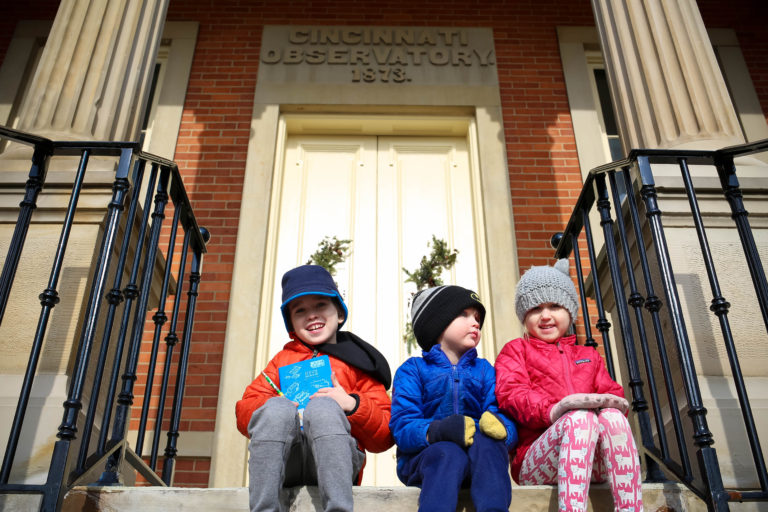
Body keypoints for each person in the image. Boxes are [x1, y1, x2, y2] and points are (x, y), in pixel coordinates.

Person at [235, 265, 393, 512]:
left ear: (339, 313)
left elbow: (384, 436)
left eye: (320, 305)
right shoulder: (281, 362)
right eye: (300, 311)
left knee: (324, 407)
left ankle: (338, 509)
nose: (311, 315)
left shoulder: (358, 364)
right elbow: (245, 413)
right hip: (289, 459)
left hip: (337, 461)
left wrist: (352, 404)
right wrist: (279, 405)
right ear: (292, 324)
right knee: (275, 408)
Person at [495, 259, 642, 511]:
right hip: (536, 459)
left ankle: (630, 508)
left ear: (569, 311)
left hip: (595, 459)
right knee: (578, 419)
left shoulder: (588, 355)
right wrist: (555, 409)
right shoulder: (516, 351)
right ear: (524, 315)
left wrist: (609, 404)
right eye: (535, 308)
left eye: (554, 305)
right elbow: (511, 394)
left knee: (613, 417)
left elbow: (612, 392)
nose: (545, 315)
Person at [390, 285, 517, 512]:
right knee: (448, 452)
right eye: (464, 314)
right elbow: (403, 426)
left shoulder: (485, 370)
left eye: (477, 317)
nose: (475, 322)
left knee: (488, 444)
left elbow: (502, 414)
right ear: (437, 323)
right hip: (426, 460)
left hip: (478, 464)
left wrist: (502, 427)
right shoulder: (413, 370)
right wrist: (438, 431)